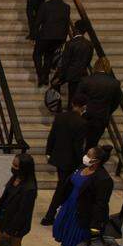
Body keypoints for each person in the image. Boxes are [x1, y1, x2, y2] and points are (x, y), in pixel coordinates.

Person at [54, 145, 114, 246]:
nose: (85, 157)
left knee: (80, 239)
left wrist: (96, 223)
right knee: (67, 232)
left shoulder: (103, 179)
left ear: (96, 160)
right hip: (70, 206)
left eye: (89, 155)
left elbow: (101, 203)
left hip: (84, 213)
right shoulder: (82, 168)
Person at [41, 93, 89, 225]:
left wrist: (49, 152)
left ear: (72, 104)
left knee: (64, 186)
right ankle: (50, 215)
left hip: (58, 156)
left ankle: (57, 213)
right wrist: (81, 162)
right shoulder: (82, 123)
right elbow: (77, 145)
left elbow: (52, 136)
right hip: (70, 160)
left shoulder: (60, 117)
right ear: (84, 107)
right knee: (62, 187)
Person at [76, 58, 122, 149]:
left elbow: (77, 97)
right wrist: (108, 111)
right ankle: (87, 160)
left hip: (85, 114)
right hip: (101, 116)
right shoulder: (114, 83)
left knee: (78, 139)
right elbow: (116, 101)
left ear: (95, 66)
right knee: (92, 143)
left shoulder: (86, 80)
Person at [33, 0, 70, 87]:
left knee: (37, 54)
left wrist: (35, 34)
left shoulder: (45, 5)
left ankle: (41, 75)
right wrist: (64, 38)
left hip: (45, 35)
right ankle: (45, 76)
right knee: (49, 56)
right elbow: (66, 24)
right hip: (59, 37)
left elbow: (38, 22)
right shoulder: (66, 7)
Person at [55, 19, 95, 107]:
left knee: (71, 96)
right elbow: (88, 60)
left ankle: (62, 108)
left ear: (75, 29)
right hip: (83, 74)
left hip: (71, 75)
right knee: (79, 97)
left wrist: (60, 76)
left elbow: (65, 62)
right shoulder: (89, 44)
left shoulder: (70, 43)